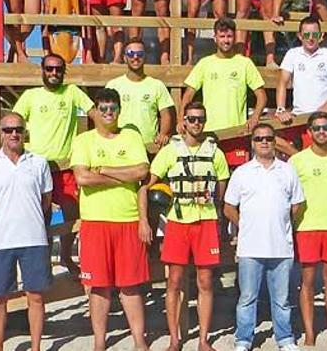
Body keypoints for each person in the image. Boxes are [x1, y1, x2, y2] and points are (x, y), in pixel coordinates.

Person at [144, 101, 230, 351]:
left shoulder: (215, 151)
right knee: (174, 281)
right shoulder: (171, 150)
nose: (196, 123)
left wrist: (218, 213)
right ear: (184, 120)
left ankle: (203, 340)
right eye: (191, 119)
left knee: (205, 281)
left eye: (200, 119)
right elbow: (150, 180)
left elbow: (222, 184)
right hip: (178, 222)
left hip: (206, 220)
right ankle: (174, 339)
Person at [70, 88, 151, 351]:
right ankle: (99, 342)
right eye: (102, 108)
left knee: (130, 285)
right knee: (99, 286)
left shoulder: (131, 136)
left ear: (119, 110)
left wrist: (103, 170)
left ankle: (139, 340)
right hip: (95, 221)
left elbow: (142, 171)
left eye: (112, 108)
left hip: (128, 220)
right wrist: (122, 176)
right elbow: (82, 178)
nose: (107, 113)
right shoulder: (84, 141)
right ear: (95, 111)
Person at [12, 54, 97, 274]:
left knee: (73, 214)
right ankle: (43, 263)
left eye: (58, 69)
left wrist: (110, 135)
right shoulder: (31, 96)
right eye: (49, 69)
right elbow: (13, 123)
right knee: (40, 217)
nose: (53, 73)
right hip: (36, 168)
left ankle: (66, 256)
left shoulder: (71, 92)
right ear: (42, 70)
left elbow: (94, 112)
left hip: (65, 167)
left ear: (63, 71)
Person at [223, 123, 305, 351]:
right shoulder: (242, 172)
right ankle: (244, 339)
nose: (264, 142)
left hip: (281, 247)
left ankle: (285, 338)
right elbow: (229, 208)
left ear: (274, 140)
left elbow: (297, 204)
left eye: (268, 138)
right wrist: (245, 224)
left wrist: (282, 223)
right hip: (250, 247)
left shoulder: (288, 170)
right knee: (247, 298)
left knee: (282, 299)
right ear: (252, 143)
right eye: (259, 138)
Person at [0, 112, 53, 351]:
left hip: (34, 240)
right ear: (1, 133)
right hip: (2, 241)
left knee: (36, 297)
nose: (14, 134)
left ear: (24, 132)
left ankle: (36, 347)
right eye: (8, 130)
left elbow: (46, 200)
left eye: (18, 129)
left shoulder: (39, 163)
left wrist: (34, 222)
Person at [289, 111, 327, 347]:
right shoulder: (297, 161)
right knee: (307, 282)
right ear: (309, 132)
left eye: (326, 127)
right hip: (307, 227)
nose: (322, 132)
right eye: (317, 128)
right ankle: (309, 334)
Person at [181, 17, 267, 167]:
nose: (226, 40)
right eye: (222, 36)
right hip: (209, 133)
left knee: (237, 179)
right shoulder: (205, 63)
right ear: (215, 38)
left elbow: (262, 95)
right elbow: (188, 94)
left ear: (234, 37)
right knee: (210, 180)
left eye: (229, 36)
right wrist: (181, 119)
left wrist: (255, 117)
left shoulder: (244, 63)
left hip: (237, 132)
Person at [275, 16, 327, 153]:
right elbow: (282, 82)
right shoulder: (293, 54)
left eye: (315, 34)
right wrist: (280, 109)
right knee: (270, 136)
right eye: (307, 34)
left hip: (323, 118)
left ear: (321, 36)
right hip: (298, 118)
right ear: (300, 36)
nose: (311, 38)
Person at [105, 38, 174, 149]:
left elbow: (166, 114)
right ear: (124, 58)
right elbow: (103, 114)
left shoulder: (157, 85)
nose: (135, 57)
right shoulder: (113, 85)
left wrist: (163, 134)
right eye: (131, 53)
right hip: (119, 145)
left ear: (145, 57)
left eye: (140, 54)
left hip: (148, 147)